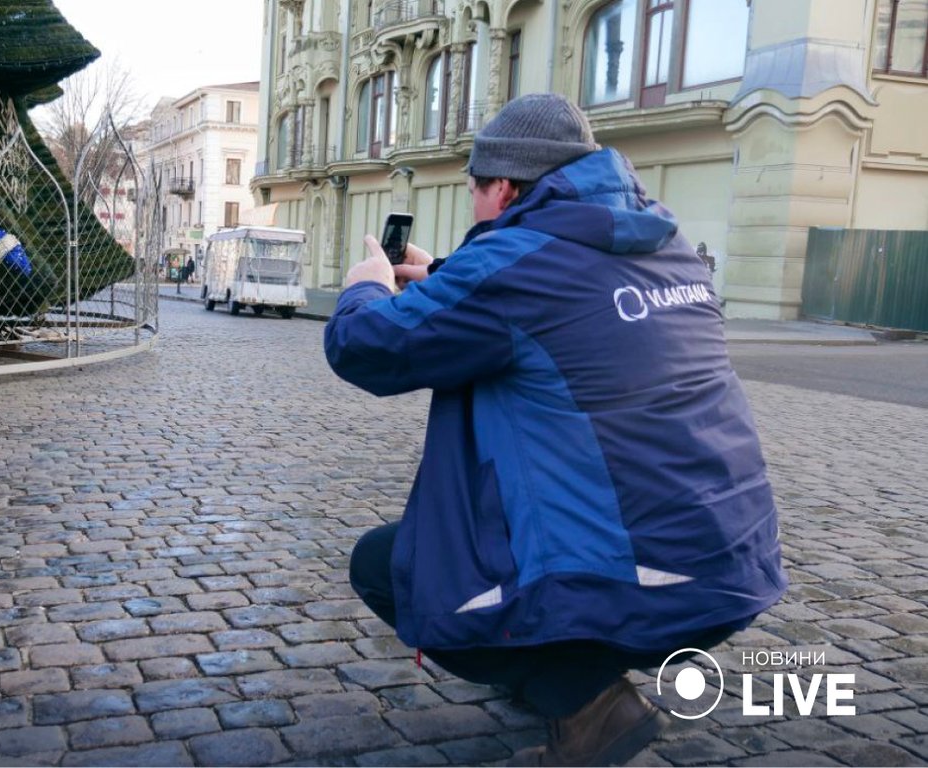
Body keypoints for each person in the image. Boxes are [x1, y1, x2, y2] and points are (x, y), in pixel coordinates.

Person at [324, 93, 786, 766]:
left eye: (475, 189)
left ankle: (580, 699)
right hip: (728, 566)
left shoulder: (511, 270)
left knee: (387, 565)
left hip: (642, 577)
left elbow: (367, 347)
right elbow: (561, 297)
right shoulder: (668, 243)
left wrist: (364, 286)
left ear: (504, 186)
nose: (475, 205)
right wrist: (451, 276)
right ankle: (556, 672)